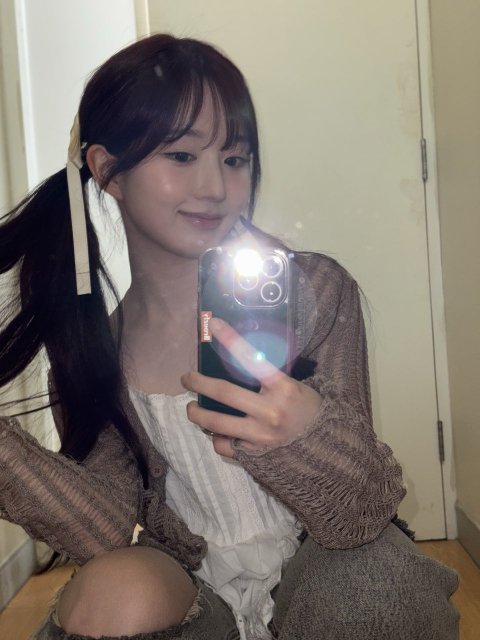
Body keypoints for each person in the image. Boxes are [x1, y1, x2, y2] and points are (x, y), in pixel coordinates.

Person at [0, 34, 458, 640]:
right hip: (193, 596)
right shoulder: (93, 351)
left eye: (235, 159)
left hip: (325, 565)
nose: (215, 187)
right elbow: (107, 536)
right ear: (108, 170)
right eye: (181, 156)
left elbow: (359, 516)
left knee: (374, 584)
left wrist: (305, 434)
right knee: (114, 590)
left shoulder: (313, 292)